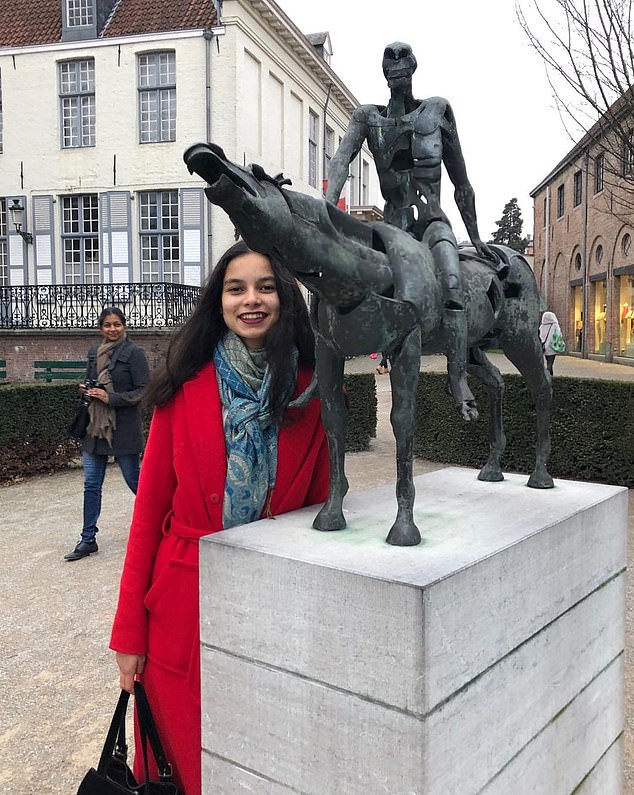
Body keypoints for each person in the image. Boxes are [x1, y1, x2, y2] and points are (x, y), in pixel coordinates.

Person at [109, 241, 330, 795]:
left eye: (266, 286)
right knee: (183, 766)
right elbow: (147, 519)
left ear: (285, 299)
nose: (251, 300)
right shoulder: (182, 390)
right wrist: (129, 634)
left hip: (277, 608)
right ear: (220, 301)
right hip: (184, 610)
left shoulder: (314, 392)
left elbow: (326, 517)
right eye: (237, 288)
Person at [325, 42, 505, 421]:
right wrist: (328, 206)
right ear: (385, 73)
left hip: (431, 222)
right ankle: (329, 358)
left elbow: (462, 182)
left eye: (402, 63)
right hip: (391, 227)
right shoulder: (367, 117)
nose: (396, 68)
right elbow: (342, 158)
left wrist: (473, 238)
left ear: (412, 69)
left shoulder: (437, 111)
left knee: (452, 282)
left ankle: (457, 376)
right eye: (390, 64)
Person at [64, 307, 149, 561]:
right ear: (101, 328)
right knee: (91, 485)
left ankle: (163, 524)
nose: (112, 329)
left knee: (138, 484)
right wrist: (87, 390)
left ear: (124, 325)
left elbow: (143, 390)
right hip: (95, 428)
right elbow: (94, 381)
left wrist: (110, 397)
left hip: (123, 429)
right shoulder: (94, 352)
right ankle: (88, 539)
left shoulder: (135, 353)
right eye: (107, 325)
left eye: (117, 324)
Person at [539, 310, 563, 375]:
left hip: (544, 347)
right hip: (552, 346)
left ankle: (549, 375)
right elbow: (559, 334)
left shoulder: (542, 326)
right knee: (550, 363)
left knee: (548, 362)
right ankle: (549, 376)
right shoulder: (555, 325)